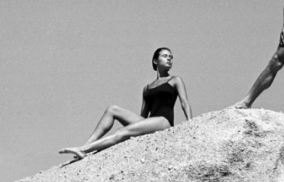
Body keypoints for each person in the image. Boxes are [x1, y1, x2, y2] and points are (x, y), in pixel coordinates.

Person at [59, 47, 193, 161]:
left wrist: (192, 124)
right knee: (112, 109)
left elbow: (184, 102)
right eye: (165, 56)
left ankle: (83, 149)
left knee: (122, 131)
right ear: (155, 61)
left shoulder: (175, 80)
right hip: (151, 121)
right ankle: (88, 144)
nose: (169, 59)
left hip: (164, 121)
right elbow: (143, 116)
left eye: (171, 57)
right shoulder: (147, 88)